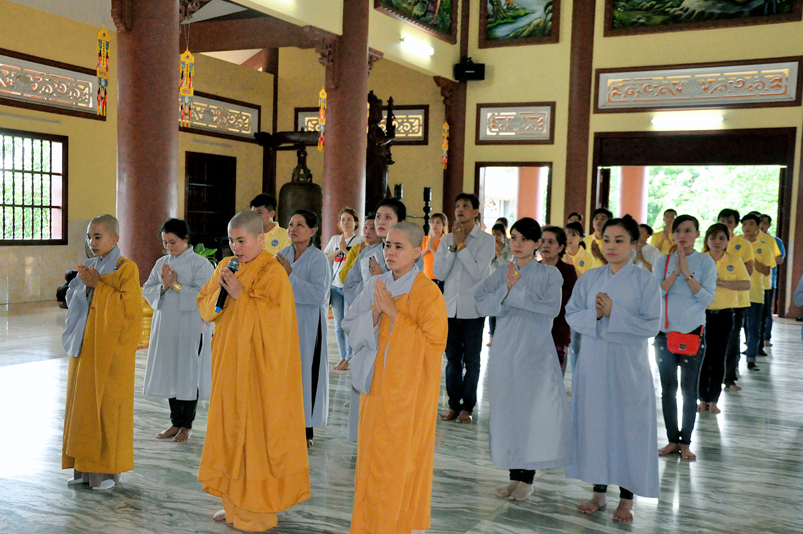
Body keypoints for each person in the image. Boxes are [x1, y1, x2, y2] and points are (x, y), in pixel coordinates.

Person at [197, 211, 309, 531]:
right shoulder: (226, 265)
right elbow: (205, 304)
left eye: (242, 240)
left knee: (255, 437)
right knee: (229, 432)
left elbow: (278, 323)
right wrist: (223, 295)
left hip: (258, 371)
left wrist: (240, 296)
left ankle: (258, 508)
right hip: (228, 365)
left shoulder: (272, 272)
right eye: (231, 241)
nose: (236, 247)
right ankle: (232, 500)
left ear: (261, 238)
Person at [342, 222, 448, 534]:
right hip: (376, 390)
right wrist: (375, 313)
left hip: (409, 397)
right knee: (372, 461)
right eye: (388, 245)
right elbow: (350, 324)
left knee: (401, 463)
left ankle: (400, 526)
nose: (389, 252)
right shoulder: (377, 284)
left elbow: (434, 346)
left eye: (399, 247)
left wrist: (394, 314)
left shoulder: (428, 293)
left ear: (417, 252)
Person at [565, 215, 662, 522]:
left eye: (620, 240)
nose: (611, 246)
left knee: (628, 428)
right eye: (606, 240)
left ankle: (627, 498)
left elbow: (652, 325)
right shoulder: (589, 279)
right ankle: (598, 492)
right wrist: (595, 315)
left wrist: (613, 313)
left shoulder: (645, 281)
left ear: (634, 245)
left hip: (628, 366)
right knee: (596, 425)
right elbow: (571, 314)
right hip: (594, 362)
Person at [476, 218, 571, 502]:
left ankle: (527, 479)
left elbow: (551, 309)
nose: (517, 244)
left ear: (537, 243)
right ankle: (513, 476)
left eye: (524, 239)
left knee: (531, 413)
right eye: (514, 238)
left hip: (535, 350)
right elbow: (480, 301)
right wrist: (506, 291)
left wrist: (512, 292)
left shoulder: (550, 274)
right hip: (505, 349)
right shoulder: (503, 271)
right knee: (508, 411)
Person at [62, 214, 143, 491]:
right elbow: (71, 298)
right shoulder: (88, 266)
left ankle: (106, 472)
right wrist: (85, 288)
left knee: (107, 408)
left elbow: (130, 309)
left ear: (115, 238)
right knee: (82, 407)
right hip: (86, 346)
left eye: (97, 237)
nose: (92, 242)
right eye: (89, 237)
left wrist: (99, 286)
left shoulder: (126, 268)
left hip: (111, 351)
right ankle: (83, 469)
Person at [343, 198, 424, 441]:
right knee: (367, 422)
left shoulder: (415, 259)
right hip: (370, 329)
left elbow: (409, 293)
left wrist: (383, 281)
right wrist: (372, 296)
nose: (380, 221)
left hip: (396, 341)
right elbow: (350, 287)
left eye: (388, 217)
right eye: (378, 216)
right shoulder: (367, 252)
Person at [142, 219, 215, 443]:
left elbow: (205, 295)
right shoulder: (161, 263)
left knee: (188, 372)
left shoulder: (201, 264)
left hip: (191, 325)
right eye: (165, 242)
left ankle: (187, 425)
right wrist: (164, 286)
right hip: (166, 325)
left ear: (185, 239)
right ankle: (175, 422)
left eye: (173, 242)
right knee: (171, 372)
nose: (168, 247)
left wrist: (175, 285)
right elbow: (148, 289)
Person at [654, 214, 716, 462]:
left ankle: (686, 443)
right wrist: (675, 272)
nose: (682, 235)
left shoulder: (706, 262)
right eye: (678, 230)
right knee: (668, 389)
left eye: (688, 230)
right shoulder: (663, 261)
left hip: (692, 332)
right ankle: (672, 439)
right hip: (665, 333)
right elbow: (656, 293)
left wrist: (687, 273)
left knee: (689, 391)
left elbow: (707, 298)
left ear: (697, 234)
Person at [434, 192, 495, 424]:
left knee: (471, 361)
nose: (460, 209)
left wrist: (462, 246)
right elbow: (439, 273)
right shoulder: (446, 240)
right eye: (457, 205)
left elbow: (478, 272)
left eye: (466, 206)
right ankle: (453, 405)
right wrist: (452, 246)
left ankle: (467, 408)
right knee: (452, 361)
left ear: (476, 211)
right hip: (450, 309)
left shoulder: (486, 241)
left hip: (473, 310)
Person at [276, 210, 332, 447]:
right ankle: (284, 423)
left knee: (306, 373)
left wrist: (290, 276)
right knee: (285, 373)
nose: (293, 229)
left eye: (300, 225)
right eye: (291, 224)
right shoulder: (282, 254)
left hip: (309, 325)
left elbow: (319, 295)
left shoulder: (318, 259)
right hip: (285, 323)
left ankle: (306, 428)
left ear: (312, 231)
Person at [698, 223, 749, 415]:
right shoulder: (700, 259)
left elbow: (745, 284)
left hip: (725, 315)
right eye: (712, 238)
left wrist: (720, 282)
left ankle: (713, 400)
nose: (717, 242)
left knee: (718, 358)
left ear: (728, 241)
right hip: (701, 315)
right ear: (706, 240)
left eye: (721, 238)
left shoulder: (734, 260)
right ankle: (702, 398)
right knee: (702, 357)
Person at [717, 208, 754, 391]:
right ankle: (711, 375)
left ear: (736, 224)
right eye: (722, 220)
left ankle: (729, 377)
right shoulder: (712, 242)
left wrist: (725, 280)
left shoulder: (743, 244)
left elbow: (749, 271)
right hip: (713, 300)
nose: (726, 224)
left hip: (737, 300)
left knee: (732, 339)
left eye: (730, 221)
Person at [323, 208, 363, 371]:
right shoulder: (335, 239)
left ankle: (349, 358)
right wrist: (339, 250)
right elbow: (325, 258)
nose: (345, 222)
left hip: (350, 286)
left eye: (349, 219)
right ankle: (342, 357)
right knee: (338, 325)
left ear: (355, 222)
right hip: (335, 285)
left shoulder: (360, 240)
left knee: (348, 323)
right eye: (343, 219)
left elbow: (359, 262)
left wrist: (346, 250)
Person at [538, 226, 576, 373]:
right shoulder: (532, 269)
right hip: (533, 332)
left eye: (551, 242)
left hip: (558, 332)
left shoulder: (568, 271)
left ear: (560, 247)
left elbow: (566, 300)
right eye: (543, 241)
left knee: (554, 377)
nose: (545, 245)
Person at [741, 213, 774, 372]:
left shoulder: (764, 247)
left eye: (751, 224)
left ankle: (751, 359)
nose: (747, 227)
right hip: (736, 294)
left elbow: (767, 271)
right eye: (744, 224)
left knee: (754, 328)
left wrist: (751, 259)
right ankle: (731, 363)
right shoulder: (734, 244)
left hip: (755, 293)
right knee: (735, 330)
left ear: (758, 227)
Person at [758, 213, 785, 350]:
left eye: (765, 223)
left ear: (769, 225)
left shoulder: (775, 241)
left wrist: (765, 255)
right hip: (752, 282)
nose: (762, 226)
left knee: (766, 312)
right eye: (760, 222)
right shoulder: (748, 241)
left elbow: (780, 259)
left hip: (769, 281)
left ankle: (766, 338)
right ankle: (753, 339)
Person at [487, 222, 512, 348]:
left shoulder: (509, 250)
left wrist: (498, 253)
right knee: (492, 312)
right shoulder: (489, 248)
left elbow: (506, 266)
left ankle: (503, 337)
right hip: (492, 283)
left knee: (503, 311)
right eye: (493, 234)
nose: (495, 237)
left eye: (498, 234)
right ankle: (492, 337)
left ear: (503, 235)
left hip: (504, 284)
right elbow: (487, 265)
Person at [340, 218, 380, 289]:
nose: (367, 231)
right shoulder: (356, 248)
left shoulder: (384, 250)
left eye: (372, 228)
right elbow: (343, 277)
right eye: (365, 227)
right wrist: (359, 257)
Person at [422, 212, 448, 290]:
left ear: (443, 226)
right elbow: (416, 257)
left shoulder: (446, 241)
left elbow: (445, 261)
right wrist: (427, 249)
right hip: (426, 278)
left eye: (438, 222)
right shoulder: (424, 239)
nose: (434, 225)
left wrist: (432, 249)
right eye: (432, 222)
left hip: (440, 279)